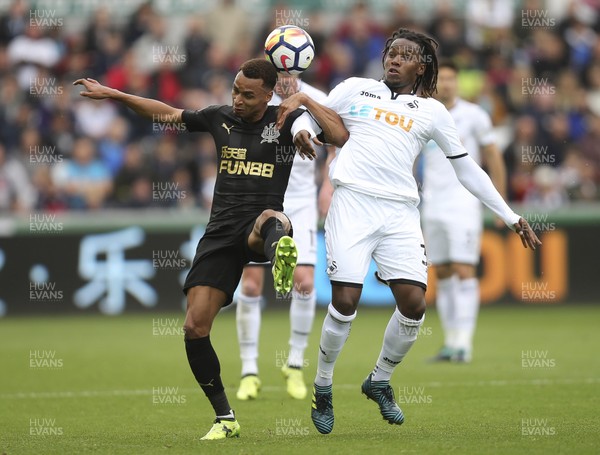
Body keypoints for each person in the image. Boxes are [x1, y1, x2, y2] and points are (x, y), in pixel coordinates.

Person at [276, 28, 541, 434]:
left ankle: (379, 379)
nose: (394, 59)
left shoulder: (432, 111)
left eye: (405, 55)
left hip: (400, 212)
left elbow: (467, 168)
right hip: (353, 203)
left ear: (422, 65)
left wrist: (509, 215)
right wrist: (300, 131)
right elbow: (312, 117)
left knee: (414, 304)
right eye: (391, 53)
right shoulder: (354, 89)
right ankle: (323, 387)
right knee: (345, 300)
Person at [74, 58, 348, 441]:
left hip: (260, 222)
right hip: (219, 233)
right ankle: (225, 417)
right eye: (235, 90)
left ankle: (279, 251)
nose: (237, 99)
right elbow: (168, 114)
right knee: (193, 327)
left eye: (247, 95)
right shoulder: (220, 118)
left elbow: (338, 134)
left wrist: (303, 109)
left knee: (273, 220)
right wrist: (114, 94)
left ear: (268, 95)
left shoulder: (287, 118)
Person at [235, 74, 331, 401]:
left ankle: (294, 363)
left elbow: (337, 143)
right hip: (259, 200)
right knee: (250, 284)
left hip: (301, 201)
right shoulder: (255, 96)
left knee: (304, 282)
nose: (285, 71)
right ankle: (249, 370)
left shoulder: (317, 98)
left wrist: (328, 185)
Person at [420, 60, 507, 363]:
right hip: (432, 203)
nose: (447, 84)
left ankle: (464, 344)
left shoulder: (474, 116)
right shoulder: (424, 113)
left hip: (463, 203)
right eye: (441, 79)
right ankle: (450, 342)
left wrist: (500, 202)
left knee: (464, 269)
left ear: (458, 83)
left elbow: (493, 158)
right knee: (442, 271)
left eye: (452, 79)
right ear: (433, 84)